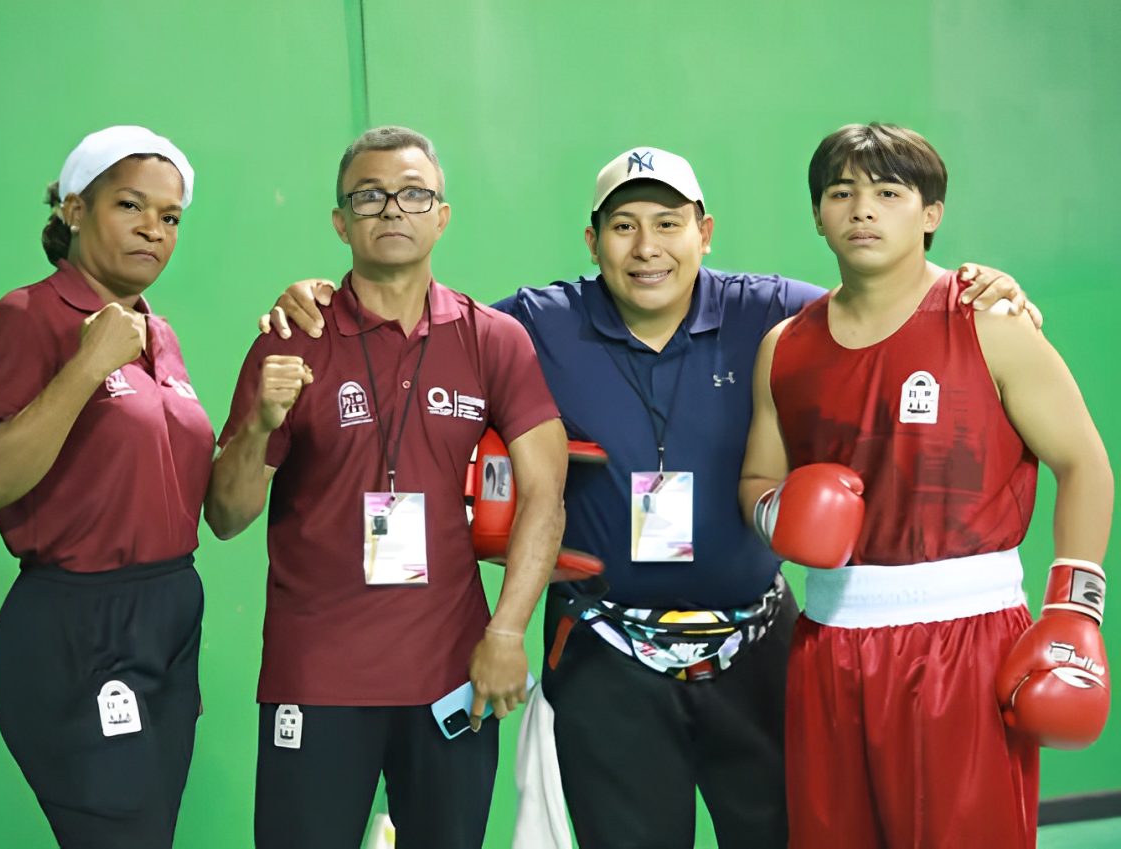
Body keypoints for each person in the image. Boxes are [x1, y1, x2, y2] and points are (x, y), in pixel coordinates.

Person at [262, 144, 1034, 848]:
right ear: (592, 241)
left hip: (754, 649)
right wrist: (324, 299)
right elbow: (415, 323)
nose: (648, 247)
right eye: (623, 225)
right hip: (608, 657)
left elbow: (887, 302)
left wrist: (977, 287)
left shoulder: (777, 313)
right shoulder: (534, 323)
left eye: (668, 222)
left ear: (705, 230)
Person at [740, 122, 1112, 848]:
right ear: (818, 215)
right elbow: (759, 478)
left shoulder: (989, 322)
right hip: (829, 647)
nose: (862, 209)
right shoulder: (784, 347)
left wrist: (1075, 611)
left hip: (965, 649)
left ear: (931, 212)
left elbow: (1084, 462)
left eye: (887, 192)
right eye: (840, 193)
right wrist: (779, 513)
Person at [204, 126, 567, 849]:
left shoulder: (491, 338)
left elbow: (544, 494)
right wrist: (258, 424)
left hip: (452, 676)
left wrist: (506, 631)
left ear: (442, 214)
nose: (392, 209)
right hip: (317, 676)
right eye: (369, 196)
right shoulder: (292, 337)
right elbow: (226, 513)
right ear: (340, 221)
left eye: (413, 193)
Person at [0, 126, 210, 848]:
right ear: (73, 209)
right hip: (78, 621)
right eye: (131, 205)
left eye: (170, 217)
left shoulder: (160, 334)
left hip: (167, 617)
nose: (153, 230)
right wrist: (86, 363)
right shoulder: (27, 317)